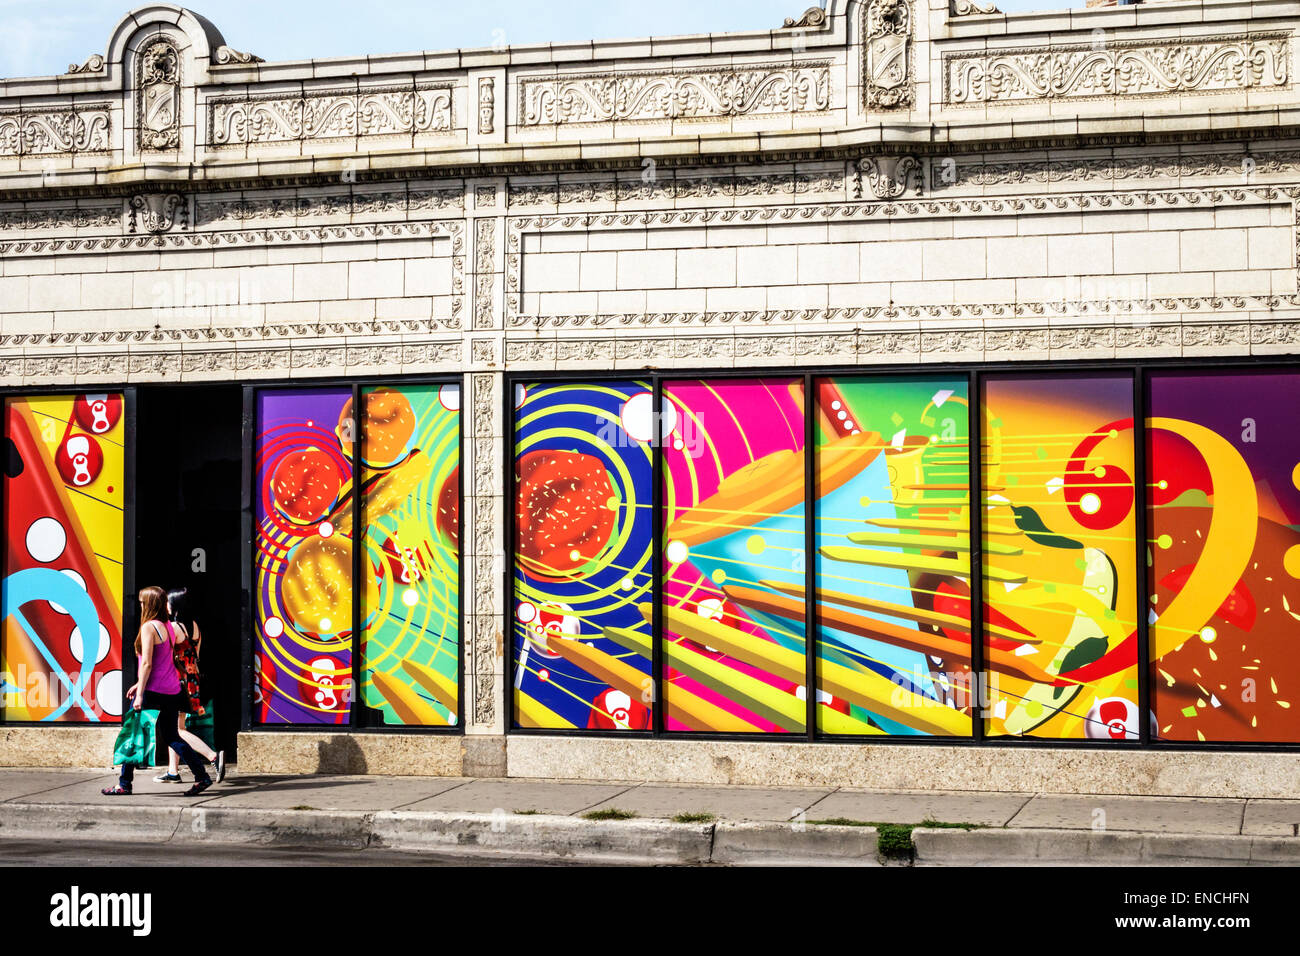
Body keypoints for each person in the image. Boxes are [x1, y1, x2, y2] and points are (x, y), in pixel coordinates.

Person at [102, 586, 216, 797]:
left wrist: (140, 693)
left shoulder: (149, 627)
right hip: (171, 689)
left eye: (142, 602)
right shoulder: (169, 627)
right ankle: (202, 777)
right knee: (173, 736)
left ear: (149, 604)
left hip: (153, 690)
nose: (140, 605)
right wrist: (139, 684)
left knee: (132, 734)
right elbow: (165, 661)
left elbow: (146, 663)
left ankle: (124, 784)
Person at [154, 587, 225, 784]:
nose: (165, 606)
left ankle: (212, 756)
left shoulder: (174, 628)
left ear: (174, 605)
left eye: (167, 602)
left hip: (176, 682)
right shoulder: (194, 626)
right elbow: (196, 657)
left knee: (176, 730)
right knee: (176, 726)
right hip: (191, 681)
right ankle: (172, 771)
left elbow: (165, 658)